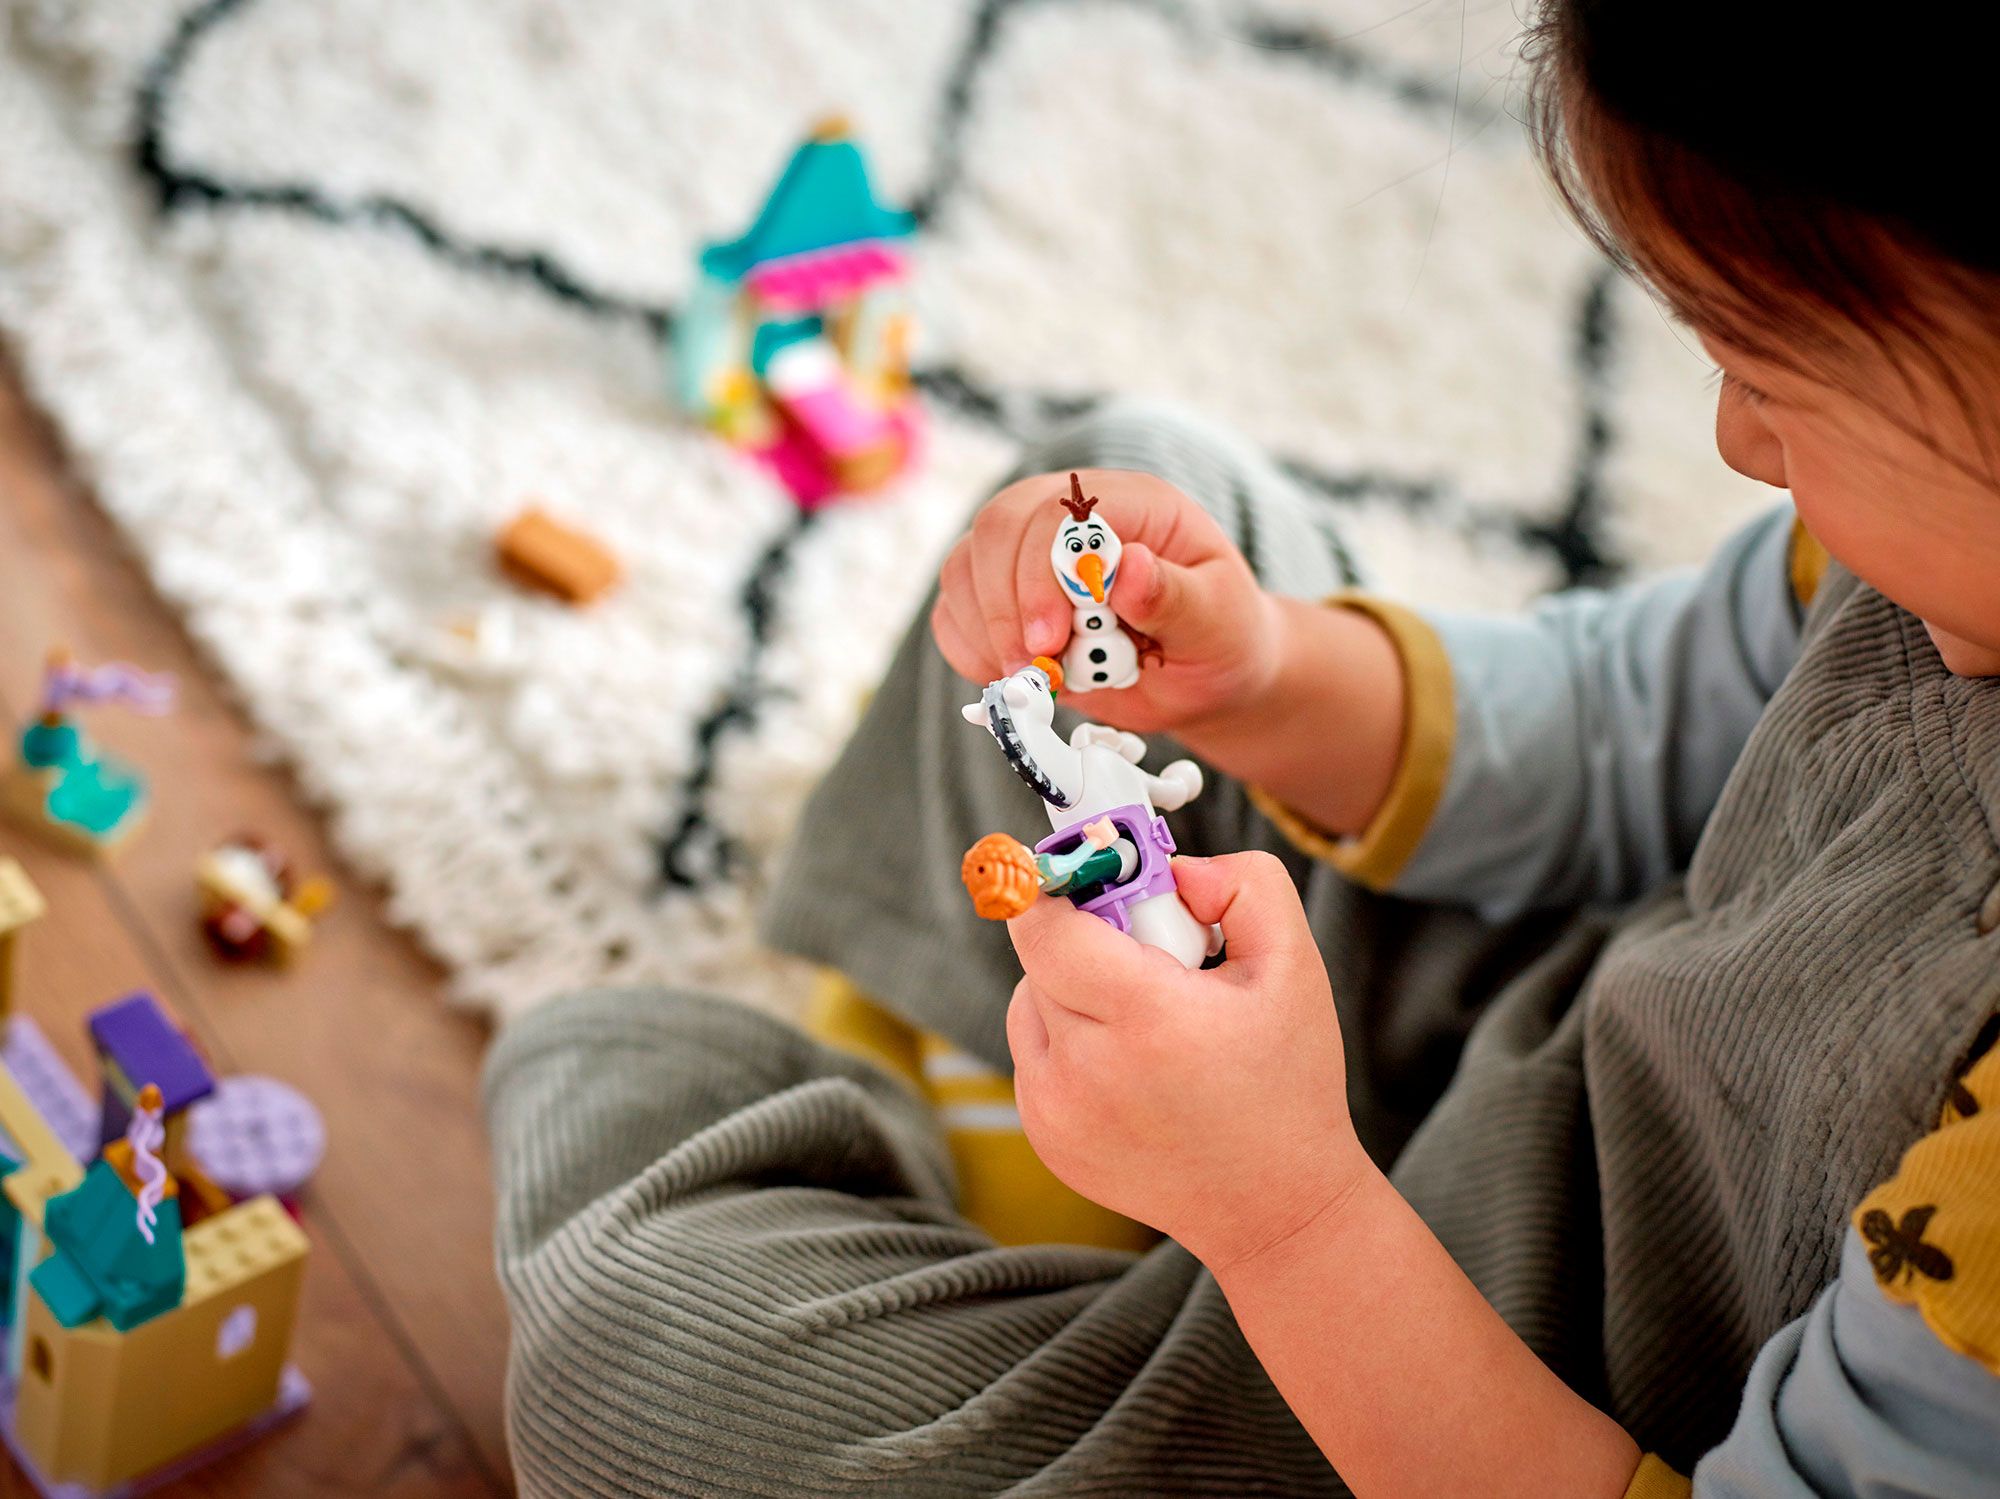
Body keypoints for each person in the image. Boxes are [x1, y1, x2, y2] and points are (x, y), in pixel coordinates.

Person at [485, 3, 2000, 1494]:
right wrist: (1261, 675)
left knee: (636, 1387)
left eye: (1776, 378)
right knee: (1126, 488)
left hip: (1463, 1407)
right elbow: (1612, 727)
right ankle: (1048, 1164)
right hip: (1526, 1046)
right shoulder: (1909, 548)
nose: (1739, 441)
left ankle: (939, 1174)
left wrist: (1284, 1218)